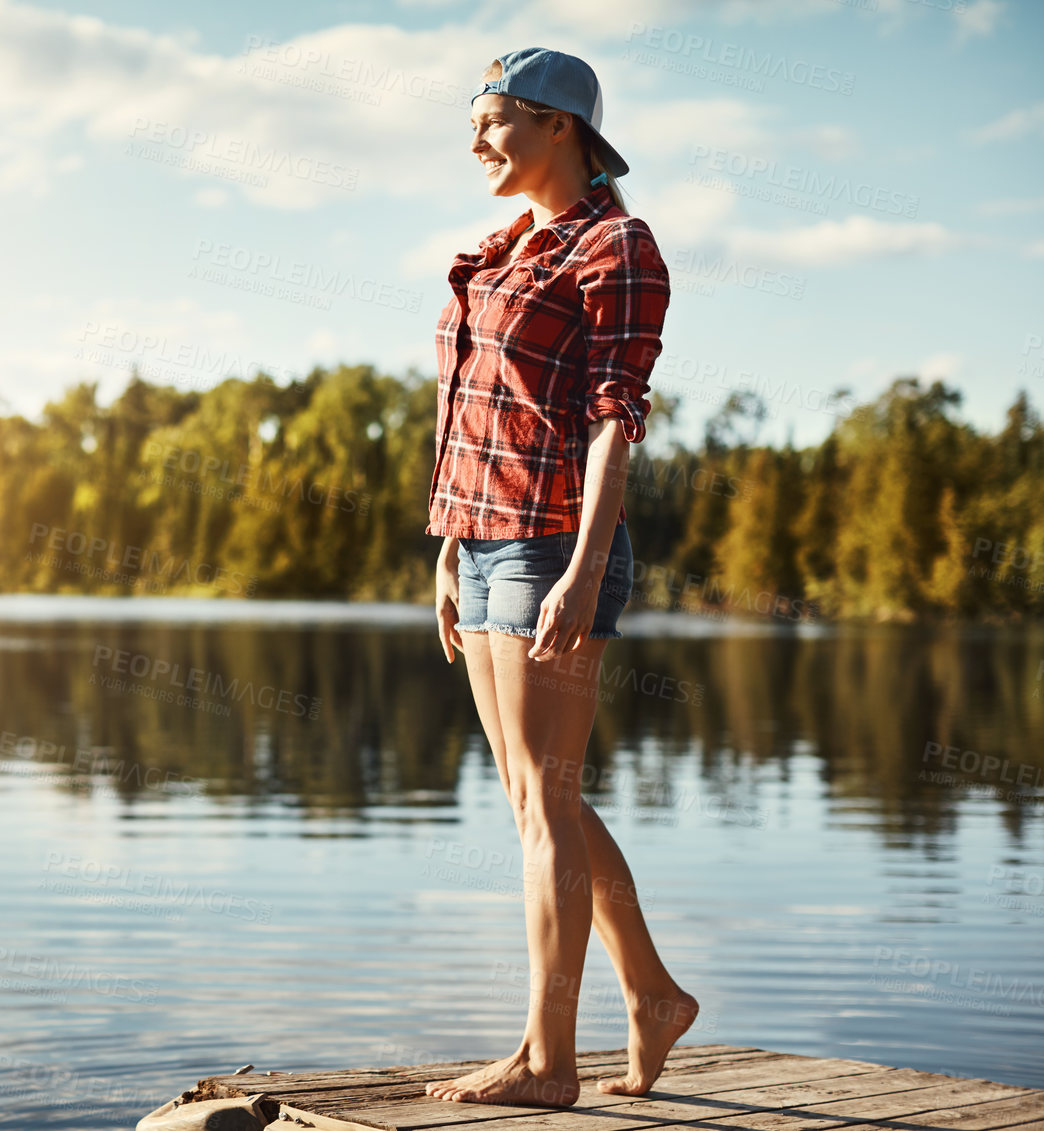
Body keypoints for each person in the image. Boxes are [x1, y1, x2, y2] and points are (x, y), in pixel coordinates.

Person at [422, 47, 698, 1109]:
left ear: (560, 128)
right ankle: (655, 996)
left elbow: (613, 417)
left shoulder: (616, 247)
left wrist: (584, 568)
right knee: (539, 802)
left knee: (547, 802)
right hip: (481, 543)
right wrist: (448, 549)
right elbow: (473, 416)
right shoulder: (494, 255)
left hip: (551, 546)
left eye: (495, 121)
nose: (479, 142)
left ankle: (548, 1061)